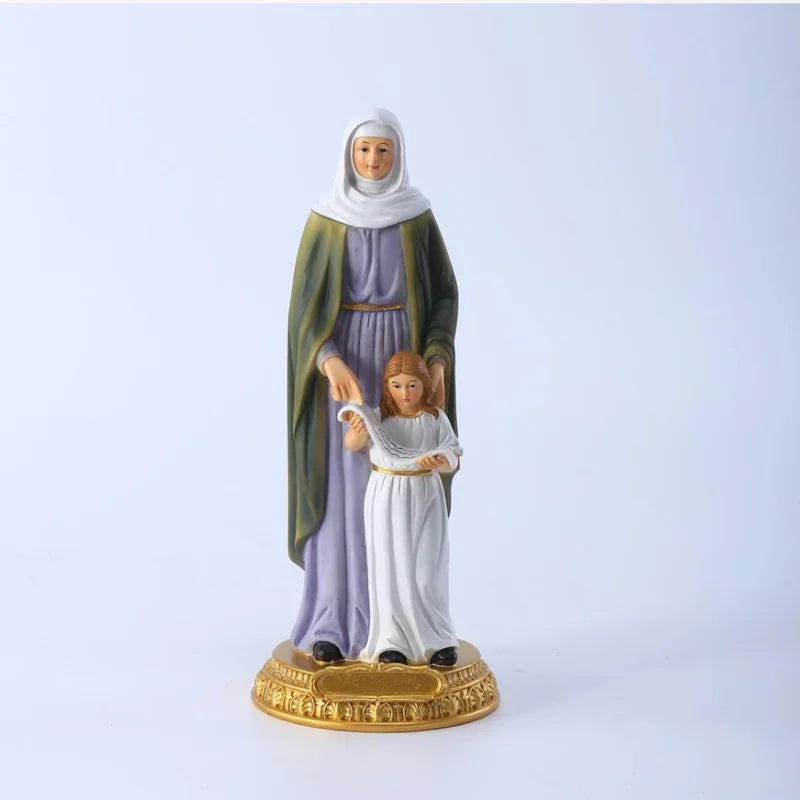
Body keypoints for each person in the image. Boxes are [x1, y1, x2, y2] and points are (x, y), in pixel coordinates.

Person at [286, 108, 459, 662]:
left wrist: (435, 357)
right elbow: (303, 311)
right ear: (348, 154)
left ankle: (403, 630)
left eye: (383, 149)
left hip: (401, 361)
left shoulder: (416, 217)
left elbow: (445, 293)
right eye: (364, 149)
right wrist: (328, 359)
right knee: (346, 491)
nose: (373, 159)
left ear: (398, 154)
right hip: (348, 370)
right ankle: (334, 620)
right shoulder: (326, 218)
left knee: (402, 494)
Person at [338, 352, 461, 667]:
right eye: (396, 386)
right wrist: (358, 427)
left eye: (412, 385)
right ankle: (391, 642)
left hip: (425, 494)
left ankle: (438, 640)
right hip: (387, 495)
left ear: (424, 385)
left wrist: (441, 460)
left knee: (426, 570)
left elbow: (453, 452)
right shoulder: (378, 418)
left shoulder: (435, 419)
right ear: (387, 387)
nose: (405, 393)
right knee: (390, 568)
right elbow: (352, 444)